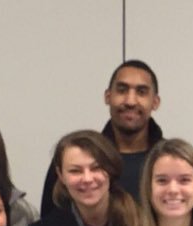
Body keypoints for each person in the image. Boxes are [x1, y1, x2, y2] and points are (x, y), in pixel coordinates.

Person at [42, 59, 165, 212]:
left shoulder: (169, 161)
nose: (130, 101)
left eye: (141, 92)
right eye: (122, 90)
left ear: (155, 102)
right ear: (107, 96)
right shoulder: (73, 159)